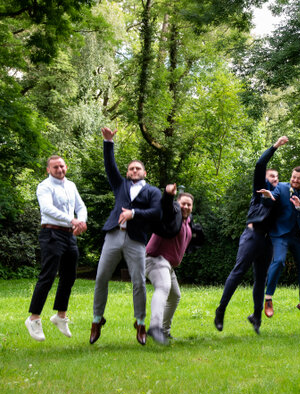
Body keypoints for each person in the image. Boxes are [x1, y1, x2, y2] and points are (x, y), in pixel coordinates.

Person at [90, 127, 161, 346]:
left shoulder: (153, 192)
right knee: (101, 277)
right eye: (131, 168)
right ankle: (97, 320)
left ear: (144, 173)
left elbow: (156, 213)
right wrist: (108, 143)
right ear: (128, 173)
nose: (134, 170)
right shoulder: (120, 184)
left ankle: (140, 323)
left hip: (136, 240)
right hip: (114, 235)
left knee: (139, 282)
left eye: (138, 168)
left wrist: (134, 213)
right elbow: (110, 166)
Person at [214, 136, 288, 334]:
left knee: (261, 279)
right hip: (252, 236)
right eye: (271, 176)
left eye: (277, 177)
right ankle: (221, 310)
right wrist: (275, 146)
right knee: (238, 272)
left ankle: (257, 316)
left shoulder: (280, 197)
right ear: (265, 178)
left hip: (267, 242)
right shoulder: (259, 190)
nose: (275, 179)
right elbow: (260, 164)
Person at [25, 156, 88, 341]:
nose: (59, 169)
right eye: (55, 167)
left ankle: (60, 316)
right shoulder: (44, 186)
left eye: (61, 166)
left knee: (69, 276)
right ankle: (33, 318)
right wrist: (72, 220)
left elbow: (81, 206)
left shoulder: (71, 185)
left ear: (66, 166)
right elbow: (47, 209)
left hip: (69, 235)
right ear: (48, 169)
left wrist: (81, 221)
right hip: (51, 234)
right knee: (48, 275)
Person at [145, 185, 204, 344]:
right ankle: (155, 327)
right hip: (155, 259)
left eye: (189, 205)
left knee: (175, 296)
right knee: (164, 287)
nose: (186, 207)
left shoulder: (187, 222)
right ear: (177, 204)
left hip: (168, 265)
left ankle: (164, 331)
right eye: (183, 203)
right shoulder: (171, 214)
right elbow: (166, 205)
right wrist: (168, 195)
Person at [261, 164, 300, 322]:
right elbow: (271, 200)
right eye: (293, 177)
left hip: (299, 236)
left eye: (299, 179)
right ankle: (268, 298)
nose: (294, 180)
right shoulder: (281, 187)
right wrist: (267, 197)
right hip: (280, 234)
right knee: (279, 261)